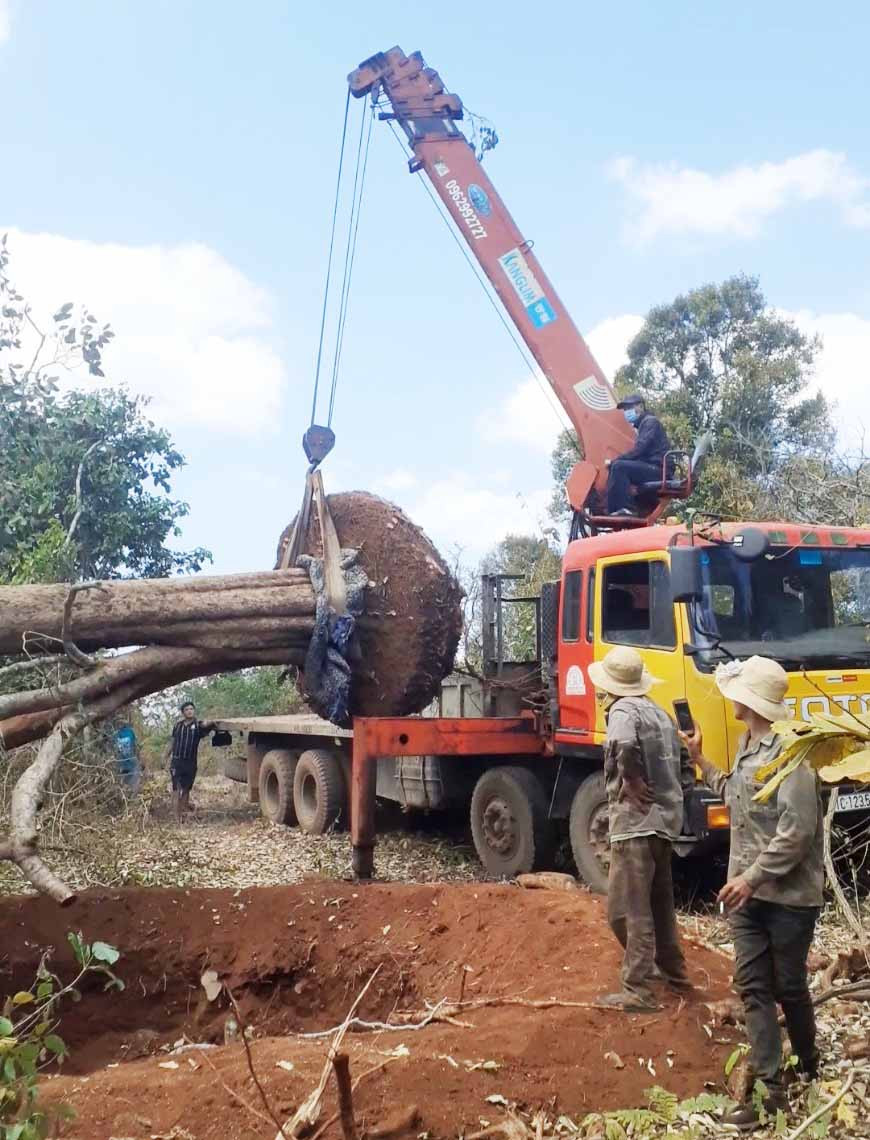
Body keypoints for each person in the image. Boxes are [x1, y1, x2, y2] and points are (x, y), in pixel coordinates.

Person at [681, 656, 823, 1131]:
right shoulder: (747, 745)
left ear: (749, 700)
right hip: (746, 892)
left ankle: (808, 1058)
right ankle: (769, 1091)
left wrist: (752, 877)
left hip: (788, 896)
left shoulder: (792, 755)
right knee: (753, 988)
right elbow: (734, 794)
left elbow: (797, 831)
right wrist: (700, 760)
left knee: (789, 986)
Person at [588, 646, 693, 1012]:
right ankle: (676, 977)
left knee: (626, 910)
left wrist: (631, 778)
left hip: (634, 826)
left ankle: (638, 988)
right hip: (665, 823)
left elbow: (622, 742)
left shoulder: (622, 711)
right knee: (660, 905)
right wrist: (675, 801)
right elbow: (685, 765)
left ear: (610, 685)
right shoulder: (660, 713)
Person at [606, 394, 671, 516]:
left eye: (629, 407)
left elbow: (639, 449)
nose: (626, 412)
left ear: (641, 406)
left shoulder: (650, 422)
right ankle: (614, 510)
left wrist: (616, 460)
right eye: (625, 410)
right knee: (618, 466)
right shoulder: (643, 425)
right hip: (653, 467)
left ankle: (625, 508)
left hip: (660, 470)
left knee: (619, 467)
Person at [167, 701, 215, 820]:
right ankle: (176, 818)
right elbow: (172, 742)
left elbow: (209, 725)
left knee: (186, 789)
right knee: (176, 789)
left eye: (191, 709)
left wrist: (210, 722)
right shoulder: (178, 726)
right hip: (177, 761)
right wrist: (165, 757)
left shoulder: (199, 726)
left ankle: (184, 814)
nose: (190, 711)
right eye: (187, 709)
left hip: (190, 762)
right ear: (183, 712)